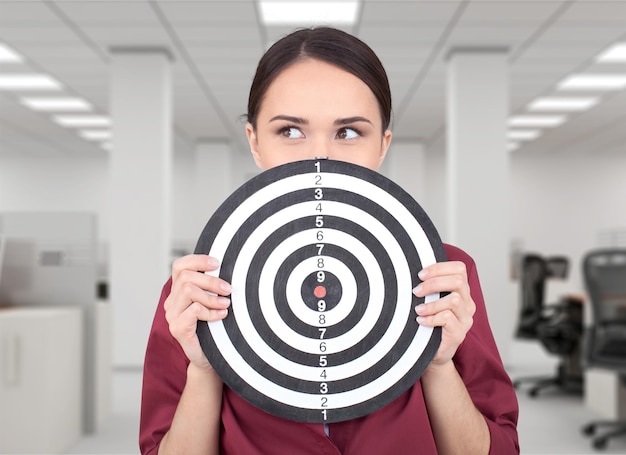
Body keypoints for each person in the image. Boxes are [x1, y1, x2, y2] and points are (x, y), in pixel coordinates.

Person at [140, 27, 519, 455]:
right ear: (255, 144)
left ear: (382, 146)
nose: (320, 155)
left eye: (350, 132)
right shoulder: (198, 288)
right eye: (290, 131)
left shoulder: (444, 273)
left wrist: (436, 363)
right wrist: (206, 367)